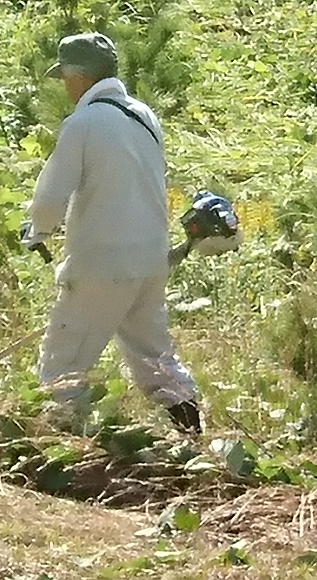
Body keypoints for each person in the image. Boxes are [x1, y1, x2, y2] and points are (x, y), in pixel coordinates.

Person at [22, 32, 202, 438]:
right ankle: (195, 442)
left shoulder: (83, 123)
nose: (65, 86)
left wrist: (38, 231)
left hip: (103, 265)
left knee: (62, 368)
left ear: (79, 76)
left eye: (65, 76)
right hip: (151, 262)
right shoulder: (144, 116)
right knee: (156, 362)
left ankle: (68, 454)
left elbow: (51, 195)